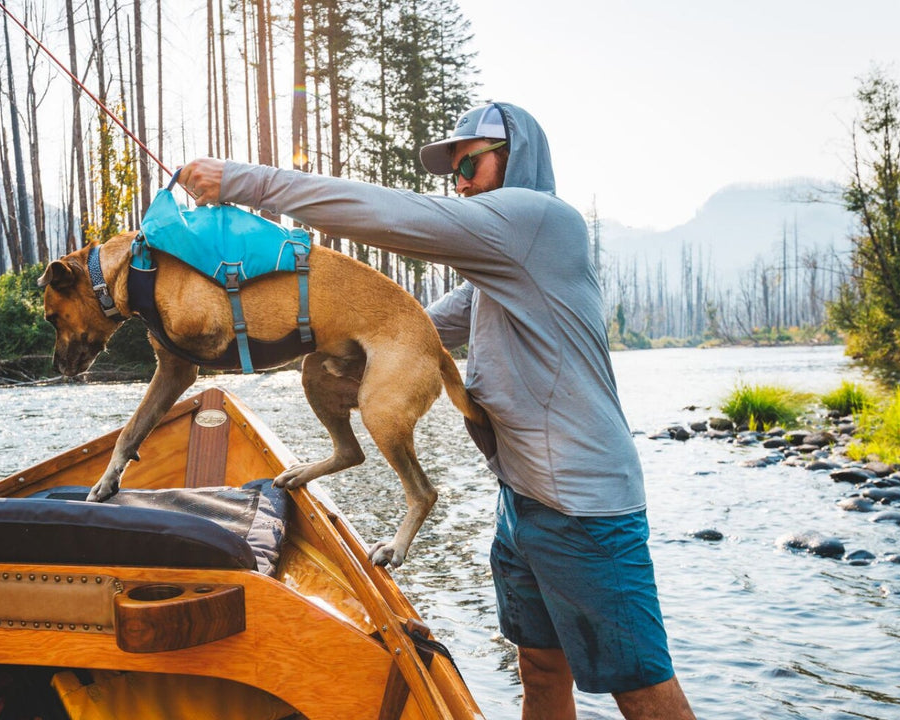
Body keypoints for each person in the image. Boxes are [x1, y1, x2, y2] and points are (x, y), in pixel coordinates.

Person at [178, 102, 696, 719]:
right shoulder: (497, 274)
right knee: (539, 664)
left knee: (638, 686)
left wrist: (242, 182)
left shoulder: (539, 220)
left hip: (583, 506)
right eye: (455, 174)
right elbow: (412, 327)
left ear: (518, 156)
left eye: (471, 164)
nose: (461, 183)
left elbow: (392, 215)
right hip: (524, 497)